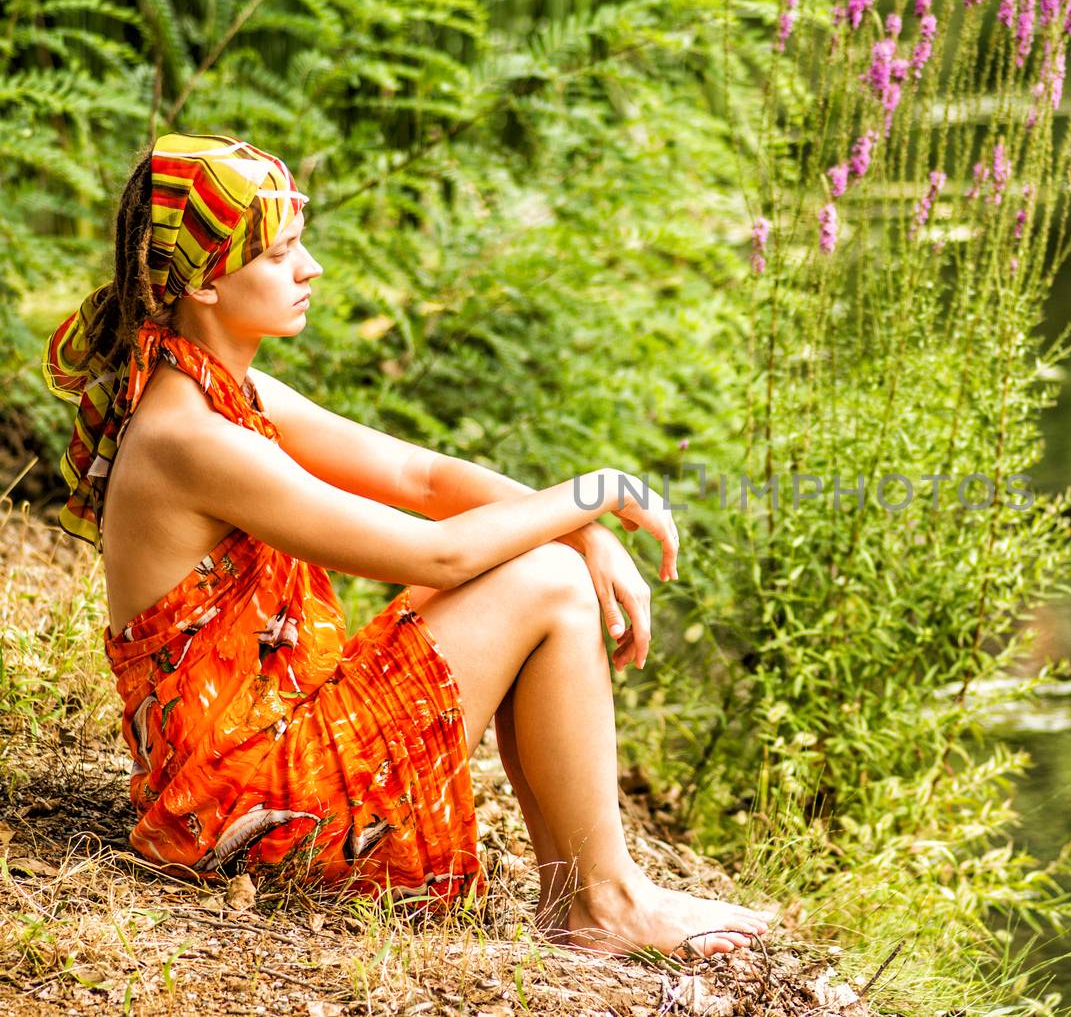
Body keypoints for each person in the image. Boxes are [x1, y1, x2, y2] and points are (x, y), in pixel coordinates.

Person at [40, 133, 770, 958]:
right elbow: (440, 555)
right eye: (282, 255)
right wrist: (598, 490)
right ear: (206, 280)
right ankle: (600, 902)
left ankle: (596, 893)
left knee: (553, 566)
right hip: (251, 809)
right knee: (549, 585)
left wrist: (582, 531)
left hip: (260, 762)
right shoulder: (190, 438)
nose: (310, 268)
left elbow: (418, 475)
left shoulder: (220, 388)